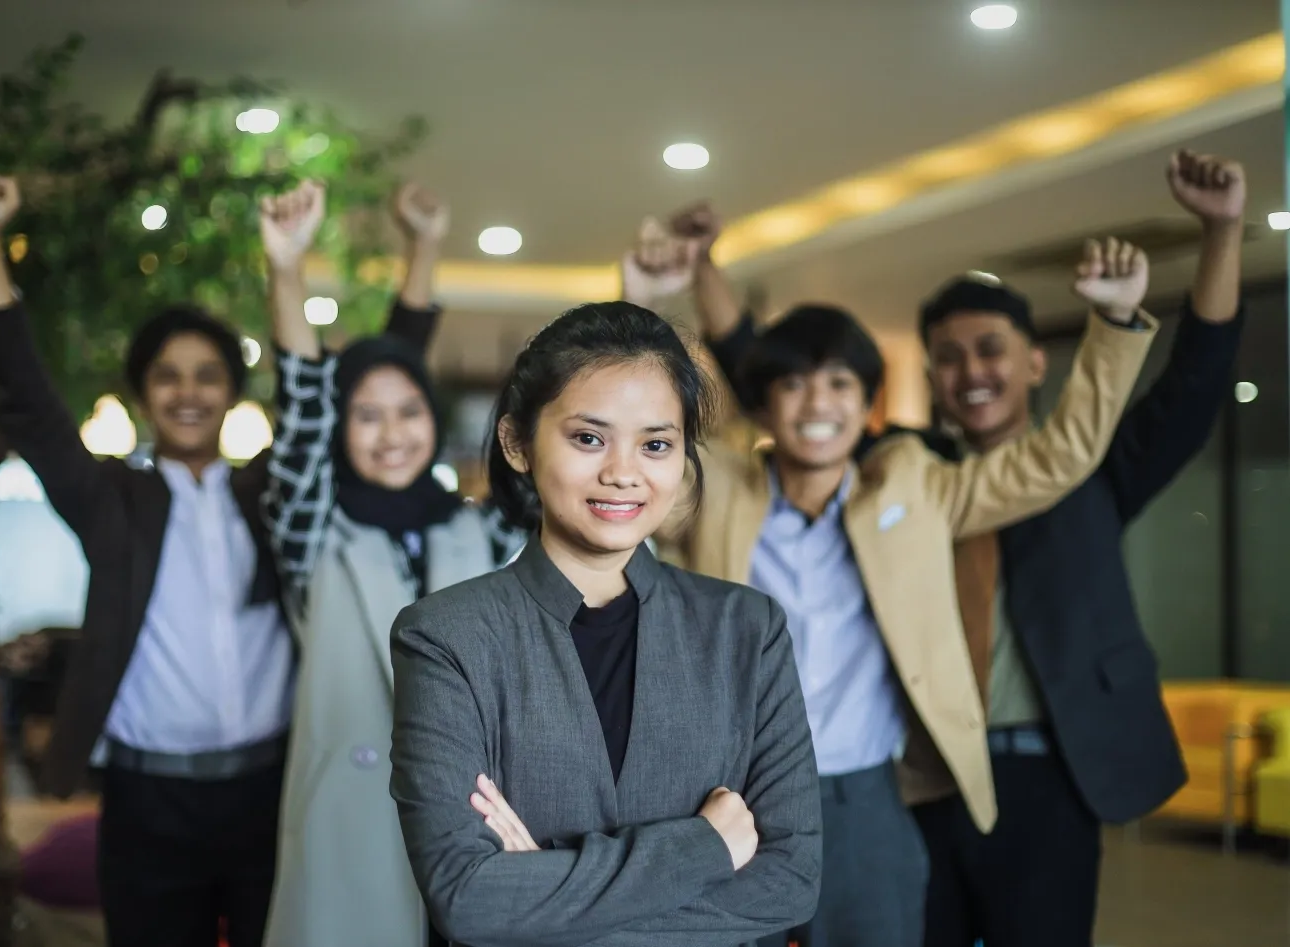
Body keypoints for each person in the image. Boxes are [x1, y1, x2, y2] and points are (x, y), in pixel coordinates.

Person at [624, 207, 1158, 947]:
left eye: (841, 384)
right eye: (795, 385)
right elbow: (635, 451)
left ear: (866, 401)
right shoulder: (716, 487)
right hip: (728, 796)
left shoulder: (913, 486)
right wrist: (642, 310)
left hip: (866, 796)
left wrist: (1116, 322)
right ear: (767, 401)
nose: (818, 405)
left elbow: (1058, 456)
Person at [0, 172, 420, 947]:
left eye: (207, 375)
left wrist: (420, 250)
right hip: (147, 799)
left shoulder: (269, 493)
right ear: (143, 393)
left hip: (270, 787)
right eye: (167, 375)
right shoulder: (110, 501)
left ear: (233, 392)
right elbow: (30, 407)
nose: (188, 392)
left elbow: (353, 406)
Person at [389, 301, 823, 947]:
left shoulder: (746, 629)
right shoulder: (446, 636)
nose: (624, 472)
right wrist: (704, 846)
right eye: (588, 438)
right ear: (516, 442)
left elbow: (790, 881)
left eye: (655, 444)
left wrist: (544, 890)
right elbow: (469, 899)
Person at [900, 151, 1247, 947]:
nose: (970, 372)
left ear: (1032, 361)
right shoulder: (910, 480)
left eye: (989, 349)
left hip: (1048, 774)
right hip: (928, 773)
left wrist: (1222, 230)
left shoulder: (1087, 469)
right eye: (948, 358)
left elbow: (1195, 383)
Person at [258, 179, 524, 947]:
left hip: (480, 814)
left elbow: (558, 457)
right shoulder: (315, 527)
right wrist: (287, 269)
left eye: (408, 411)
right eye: (365, 416)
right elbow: (303, 413)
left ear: (432, 422)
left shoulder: (476, 531)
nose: (391, 433)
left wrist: (426, 248)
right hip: (353, 815)